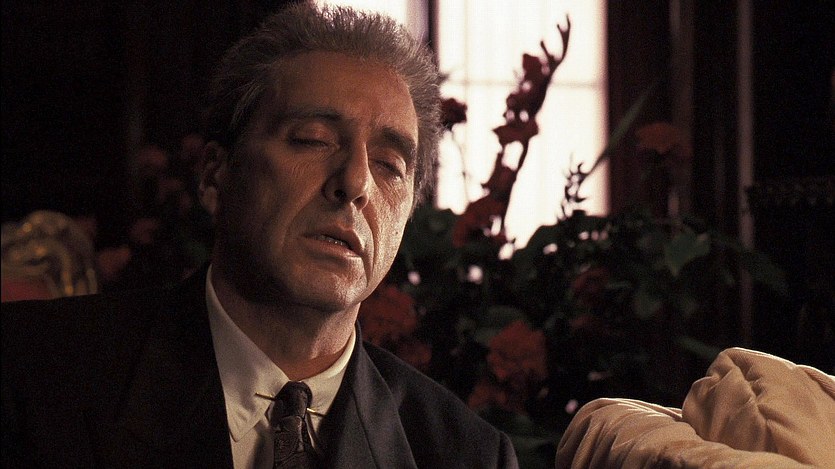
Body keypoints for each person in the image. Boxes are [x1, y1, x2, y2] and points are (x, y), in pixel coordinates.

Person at [1, 3, 519, 468]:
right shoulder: (33, 376)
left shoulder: (464, 453)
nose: (356, 183)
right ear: (215, 175)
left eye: (389, 165)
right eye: (313, 140)